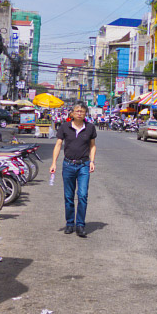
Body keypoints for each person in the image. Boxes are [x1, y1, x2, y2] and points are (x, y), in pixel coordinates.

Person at [49, 102, 97, 238]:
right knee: (69, 196)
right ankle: (70, 223)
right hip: (68, 165)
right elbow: (58, 145)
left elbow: (93, 146)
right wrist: (53, 163)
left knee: (82, 195)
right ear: (72, 113)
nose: (79, 113)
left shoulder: (90, 128)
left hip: (84, 165)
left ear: (85, 113)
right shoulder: (64, 127)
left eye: (82, 111)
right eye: (77, 111)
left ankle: (80, 225)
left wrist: (92, 161)